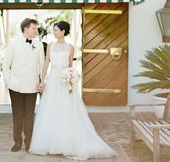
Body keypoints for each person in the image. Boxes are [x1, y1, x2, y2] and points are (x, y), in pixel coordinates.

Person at [29, 21, 116, 160]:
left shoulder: (70, 47)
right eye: (54, 30)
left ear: (63, 31)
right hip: (53, 79)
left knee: (67, 109)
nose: (54, 32)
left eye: (56, 30)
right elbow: (46, 64)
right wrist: (42, 80)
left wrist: (72, 77)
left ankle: (66, 143)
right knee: (51, 109)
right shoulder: (50, 45)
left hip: (65, 81)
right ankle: (49, 143)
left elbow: (71, 65)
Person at [2, 18, 45, 152]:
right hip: (16, 87)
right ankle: (17, 142)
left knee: (29, 116)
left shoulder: (38, 45)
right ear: (25, 29)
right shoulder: (13, 44)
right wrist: (9, 82)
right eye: (34, 28)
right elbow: (5, 64)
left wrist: (42, 82)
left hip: (32, 86)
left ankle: (29, 143)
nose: (36, 31)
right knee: (17, 115)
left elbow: (42, 65)